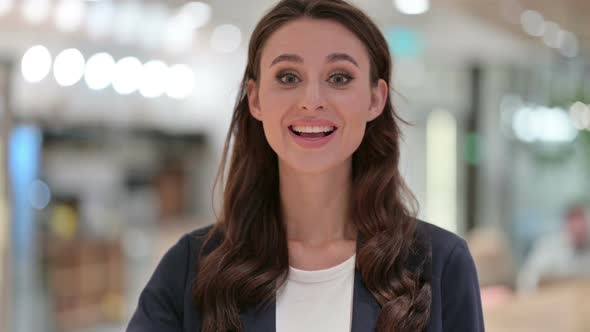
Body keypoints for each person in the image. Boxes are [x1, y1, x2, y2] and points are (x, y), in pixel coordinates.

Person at [127, 0, 484, 331]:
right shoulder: (191, 267)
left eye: (339, 77)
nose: (312, 102)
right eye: (288, 77)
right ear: (255, 99)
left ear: (376, 98)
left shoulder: (440, 265)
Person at [517, 204, 590, 292]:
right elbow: (527, 280)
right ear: (566, 225)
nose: (579, 230)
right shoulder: (548, 247)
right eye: (575, 226)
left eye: (583, 227)